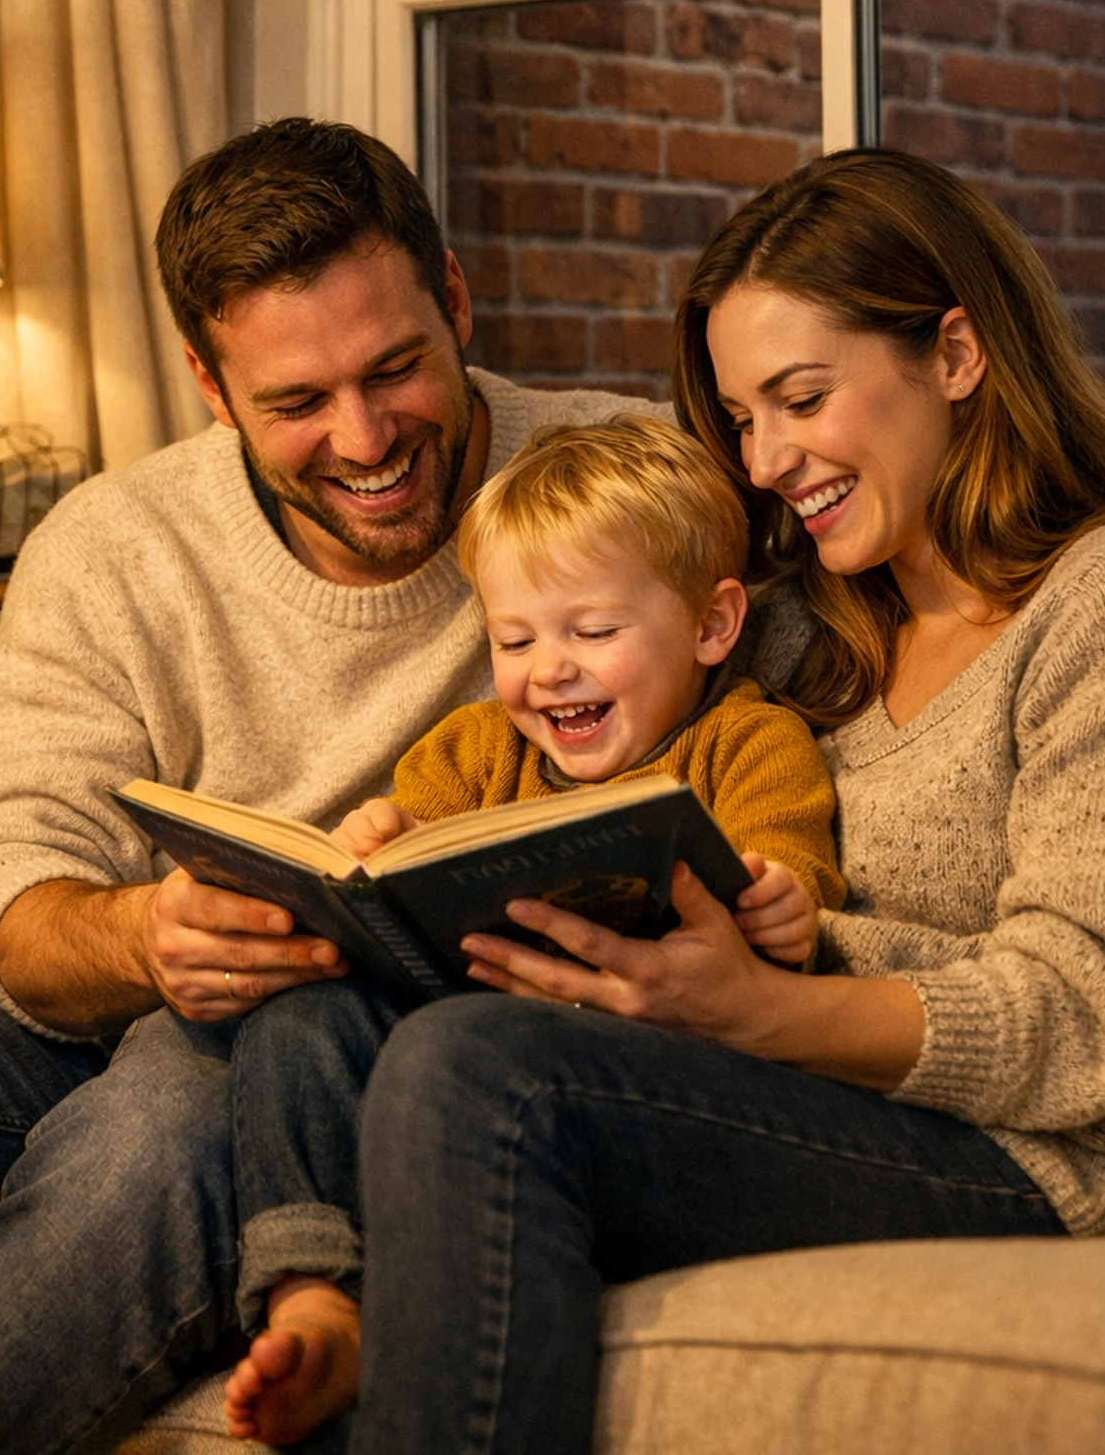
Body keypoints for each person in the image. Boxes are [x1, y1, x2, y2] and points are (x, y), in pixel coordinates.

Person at [0, 125, 1105, 1455]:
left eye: (395, 370)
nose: (366, 438)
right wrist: (147, 935)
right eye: (298, 400)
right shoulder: (837, 608)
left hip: (827, 1094)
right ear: (210, 385)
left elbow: (1039, 577)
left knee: (397, 1072)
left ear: (457, 306)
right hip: (241, 1010)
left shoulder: (646, 494)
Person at [329, 149, 1105, 1455]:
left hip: (1016, 1160)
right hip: (738, 1077)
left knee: (481, 1078)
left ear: (956, 353)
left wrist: (770, 1009)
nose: (765, 460)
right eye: (739, 418)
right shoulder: (795, 635)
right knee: (315, 1028)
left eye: (801, 399)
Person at [223, 413, 845, 1448]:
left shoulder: (749, 742)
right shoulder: (473, 750)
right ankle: (315, 1293)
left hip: (619, 1080)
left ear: (711, 624)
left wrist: (782, 907)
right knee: (300, 1022)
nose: (547, 670)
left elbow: (791, 878)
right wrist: (378, 844)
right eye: (514, 640)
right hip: (447, 1053)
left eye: (591, 632)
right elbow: (400, 851)